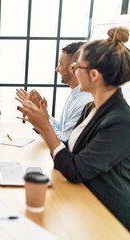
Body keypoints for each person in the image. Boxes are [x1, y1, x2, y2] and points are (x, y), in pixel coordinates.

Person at [16, 27, 130, 230]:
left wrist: (45, 126)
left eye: (77, 66)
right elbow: (69, 150)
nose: (73, 70)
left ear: (94, 74)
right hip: (81, 200)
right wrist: (41, 122)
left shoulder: (120, 121)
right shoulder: (91, 108)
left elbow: (75, 169)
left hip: (108, 217)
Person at [21, 42, 93, 142]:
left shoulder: (85, 102)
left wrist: (42, 121)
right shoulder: (75, 95)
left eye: (60, 64)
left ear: (74, 67)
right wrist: (41, 112)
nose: (57, 69)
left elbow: (65, 141)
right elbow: (61, 127)